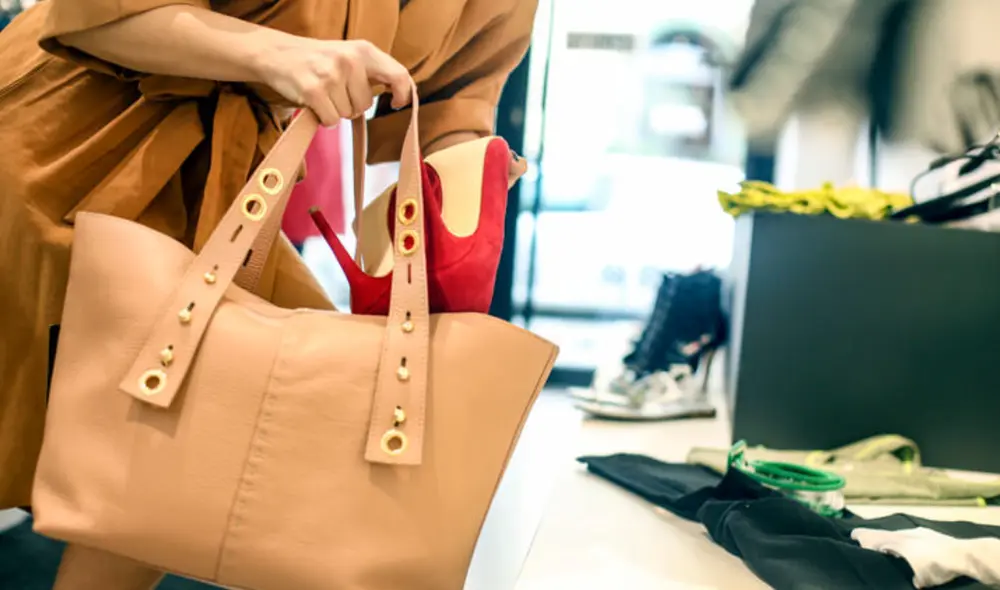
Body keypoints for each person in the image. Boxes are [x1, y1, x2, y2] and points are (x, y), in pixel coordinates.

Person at [0, 0, 536, 587]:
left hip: (223, 183)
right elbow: (93, 11)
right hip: (62, 145)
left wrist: (469, 164)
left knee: (178, 444)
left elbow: (450, 105)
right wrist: (277, 55)